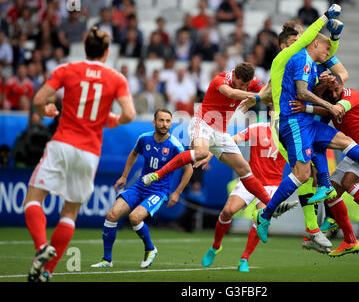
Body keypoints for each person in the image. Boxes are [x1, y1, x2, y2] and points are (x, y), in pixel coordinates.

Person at [254, 24, 359, 244]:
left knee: (343, 142)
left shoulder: (316, 62)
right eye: (326, 49)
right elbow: (300, 92)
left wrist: (334, 38)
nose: (329, 53)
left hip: (308, 120)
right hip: (293, 121)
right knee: (302, 175)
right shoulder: (295, 59)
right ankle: (266, 215)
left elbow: (340, 72)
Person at [23, 26, 136, 282]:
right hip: (88, 153)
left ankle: (41, 247)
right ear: (106, 53)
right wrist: (112, 120)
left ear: (85, 48)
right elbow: (129, 114)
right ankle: (47, 271)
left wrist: (47, 110)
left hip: (62, 143)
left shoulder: (67, 69)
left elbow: (39, 99)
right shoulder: (116, 78)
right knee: (70, 213)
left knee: (33, 199)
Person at [141, 62, 274, 208]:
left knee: (245, 169)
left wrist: (271, 89)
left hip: (220, 132)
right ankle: (157, 175)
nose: (243, 88)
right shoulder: (220, 80)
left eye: (246, 85)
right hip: (203, 123)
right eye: (241, 84)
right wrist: (255, 97)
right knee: (202, 153)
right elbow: (231, 93)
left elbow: (267, 94)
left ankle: (271, 204)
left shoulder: (250, 82)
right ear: (235, 75)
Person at [291, 72, 359, 256]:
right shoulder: (331, 100)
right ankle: (350, 240)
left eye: (336, 89)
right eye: (331, 91)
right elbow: (327, 109)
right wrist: (319, 91)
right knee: (331, 191)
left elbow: (336, 109)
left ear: (340, 85)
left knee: (348, 181)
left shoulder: (350, 95)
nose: (335, 94)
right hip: (356, 149)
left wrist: (307, 107)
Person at [91, 109, 193, 269]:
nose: (165, 124)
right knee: (111, 215)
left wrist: (177, 192)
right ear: (154, 122)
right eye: (161, 120)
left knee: (135, 217)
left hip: (159, 191)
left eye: (168, 121)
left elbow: (189, 168)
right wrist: (124, 176)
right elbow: (133, 154)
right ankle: (107, 260)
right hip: (140, 186)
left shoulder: (175, 145)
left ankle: (150, 248)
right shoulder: (144, 139)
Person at [197, 115, 299, 272]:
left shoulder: (290, 134)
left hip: (272, 185)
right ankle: (216, 246)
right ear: (270, 113)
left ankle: (244, 258)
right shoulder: (257, 128)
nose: (278, 114)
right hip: (251, 179)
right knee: (228, 211)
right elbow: (232, 141)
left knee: (260, 220)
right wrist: (210, 155)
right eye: (274, 110)